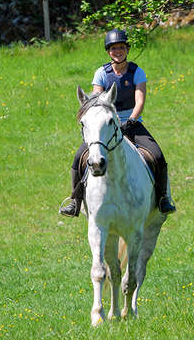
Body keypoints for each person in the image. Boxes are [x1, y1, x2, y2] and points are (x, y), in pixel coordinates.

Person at [60, 29, 176, 217]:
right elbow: (96, 101)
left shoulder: (137, 72)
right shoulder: (101, 73)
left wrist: (131, 121)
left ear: (127, 49)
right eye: (114, 48)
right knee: (78, 157)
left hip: (132, 123)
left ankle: (163, 198)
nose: (118, 51)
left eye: (121, 47)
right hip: (106, 126)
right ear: (108, 51)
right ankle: (75, 201)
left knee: (157, 155)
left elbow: (140, 101)